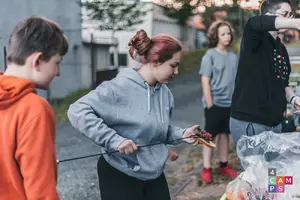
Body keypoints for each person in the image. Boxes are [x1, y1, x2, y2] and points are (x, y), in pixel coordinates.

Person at [67, 29, 207, 200]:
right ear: (155, 61)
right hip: (119, 173)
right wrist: (114, 140)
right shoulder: (118, 88)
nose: (177, 72)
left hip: (153, 175)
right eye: (173, 65)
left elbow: (156, 129)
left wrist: (183, 134)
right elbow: (77, 110)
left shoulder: (165, 94)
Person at [0, 16, 68, 199]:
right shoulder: (33, 109)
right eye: (57, 62)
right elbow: (41, 192)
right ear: (37, 60)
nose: (58, 72)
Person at [230, 0, 300, 145]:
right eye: (285, 14)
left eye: (291, 15)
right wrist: (296, 23)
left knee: (272, 168)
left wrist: (295, 100)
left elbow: (283, 83)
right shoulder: (254, 35)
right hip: (251, 123)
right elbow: (256, 22)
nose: (289, 19)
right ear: (268, 15)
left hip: (275, 124)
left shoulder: (281, 49)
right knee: (259, 168)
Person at [199, 20, 238, 183]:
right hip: (214, 104)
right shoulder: (209, 56)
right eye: (223, 34)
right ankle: (206, 168)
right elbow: (205, 81)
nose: (227, 36)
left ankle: (224, 165)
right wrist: (210, 105)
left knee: (225, 136)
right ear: (216, 36)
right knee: (209, 137)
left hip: (230, 104)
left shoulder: (234, 56)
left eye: (228, 33)